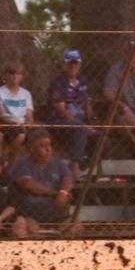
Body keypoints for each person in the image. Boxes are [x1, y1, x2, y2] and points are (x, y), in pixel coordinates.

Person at [10, 128, 81, 237]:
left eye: (49, 145)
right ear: (31, 149)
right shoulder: (22, 164)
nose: (48, 149)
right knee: (26, 229)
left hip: (57, 216)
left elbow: (68, 179)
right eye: (42, 146)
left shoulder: (58, 163)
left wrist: (63, 192)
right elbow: (28, 184)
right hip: (31, 216)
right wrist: (54, 193)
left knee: (76, 227)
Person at [46, 49, 96, 177]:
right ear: (65, 65)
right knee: (81, 129)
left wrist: (91, 121)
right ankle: (75, 166)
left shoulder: (84, 81)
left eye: (75, 63)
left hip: (82, 122)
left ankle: (85, 163)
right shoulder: (58, 83)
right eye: (70, 63)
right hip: (60, 122)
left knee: (104, 139)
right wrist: (84, 126)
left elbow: (88, 106)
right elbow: (62, 111)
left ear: (80, 64)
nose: (72, 66)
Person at [0, 62, 33, 163]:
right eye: (12, 73)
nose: (15, 76)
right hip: (7, 124)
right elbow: (1, 115)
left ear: (22, 77)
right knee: (20, 136)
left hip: (22, 125)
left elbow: (29, 114)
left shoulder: (26, 93)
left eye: (18, 73)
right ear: (5, 75)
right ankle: (10, 162)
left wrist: (28, 124)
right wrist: (15, 124)